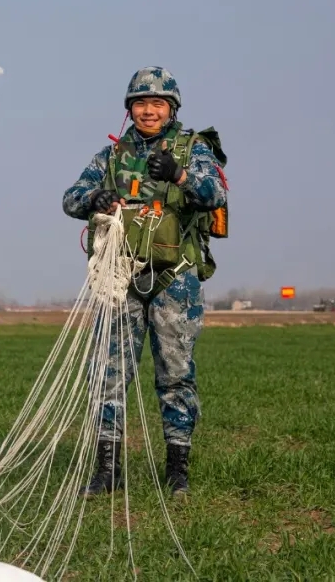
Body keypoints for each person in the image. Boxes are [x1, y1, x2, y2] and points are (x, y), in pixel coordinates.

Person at [62, 66, 229, 498]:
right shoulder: (112, 156)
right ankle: (107, 469)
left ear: (171, 108)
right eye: (140, 103)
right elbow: (70, 198)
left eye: (157, 103)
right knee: (109, 372)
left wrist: (179, 175)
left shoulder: (193, 149)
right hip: (121, 277)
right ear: (129, 108)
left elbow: (216, 194)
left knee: (175, 374)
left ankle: (177, 470)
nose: (148, 111)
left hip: (175, 280)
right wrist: (93, 198)